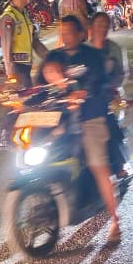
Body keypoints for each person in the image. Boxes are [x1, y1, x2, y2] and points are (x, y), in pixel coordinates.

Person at [41, 16, 121, 243]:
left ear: (80, 34)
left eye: (70, 32)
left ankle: (115, 221)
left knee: (98, 166)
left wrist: (85, 93)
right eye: (62, 32)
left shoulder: (92, 56)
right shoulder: (54, 56)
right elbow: (40, 84)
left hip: (90, 117)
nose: (65, 37)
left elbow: (102, 83)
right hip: (61, 120)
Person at [0, 0, 51, 149]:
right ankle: (6, 136)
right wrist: (10, 74)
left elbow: (35, 42)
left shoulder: (24, 14)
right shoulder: (8, 17)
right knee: (18, 100)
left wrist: (50, 58)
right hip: (16, 66)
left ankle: (22, 133)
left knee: (24, 99)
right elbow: (6, 46)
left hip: (25, 65)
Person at [87, 12, 133, 180]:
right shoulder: (84, 50)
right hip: (87, 98)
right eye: (98, 24)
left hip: (111, 97)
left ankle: (119, 163)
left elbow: (122, 74)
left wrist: (112, 87)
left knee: (110, 124)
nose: (102, 28)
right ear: (91, 27)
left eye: (105, 25)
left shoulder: (115, 49)